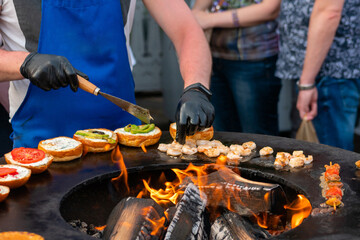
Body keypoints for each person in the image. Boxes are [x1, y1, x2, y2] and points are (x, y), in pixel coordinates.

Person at [0, 0, 214, 147]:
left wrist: (196, 87)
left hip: (123, 144)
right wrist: (25, 62)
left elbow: (187, 31)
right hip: (39, 149)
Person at [276, 0, 360, 151]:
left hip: (329, 73)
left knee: (332, 159)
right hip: (316, 71)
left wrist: (307, 83)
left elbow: (329, 13)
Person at [191, 0, 281, 135]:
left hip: (253, 58)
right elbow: (197, 12)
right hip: (213, 56)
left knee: (258, 138)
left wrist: (209, 19)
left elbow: (271, 9)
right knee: (221, 136)